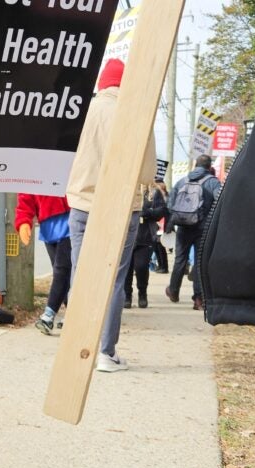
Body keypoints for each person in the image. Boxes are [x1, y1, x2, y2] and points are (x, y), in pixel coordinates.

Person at [66, 58, 158, 372]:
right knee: (115, 280)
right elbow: (147, 172)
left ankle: (74, 348)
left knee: (81, 275)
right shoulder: (137, 113)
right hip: (121, 206)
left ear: (102, 84)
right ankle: (105, 352)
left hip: (81, 203)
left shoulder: (83, 111)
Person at [164, 154, 221, 310]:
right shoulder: (213, 183)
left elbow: (170, 205)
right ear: (209, 167)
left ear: (195, 165)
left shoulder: (182, 181)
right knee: (199, 263)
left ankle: (173, 291)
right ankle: (198, 299)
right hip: (203, 228)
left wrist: (172, 222)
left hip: (183, 227)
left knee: (180, 260)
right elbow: (219, 203)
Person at [14, 193, 72, 334]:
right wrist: (23, 221)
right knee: (62, 272)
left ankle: (48, 315)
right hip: (48, 225)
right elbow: (25, 197)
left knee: (61, 270)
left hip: (71, 219)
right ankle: (72, 314)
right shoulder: (33, 172)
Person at [124, 184, 167, 308]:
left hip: (145, 236)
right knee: (126, 268)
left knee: (141, 267)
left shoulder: (153, 192)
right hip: (126, 237)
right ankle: (127, 295)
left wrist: (148, 212)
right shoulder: (126, 188)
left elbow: (161, 210)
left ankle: (142, 293)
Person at [151, 179, 170, 274]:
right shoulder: (156, 194)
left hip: (162, 222)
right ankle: (160, 265)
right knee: (155, 244)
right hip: (157, 223)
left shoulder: (166, 196)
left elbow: (165, 210)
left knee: (160, 245)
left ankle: (164, 266)